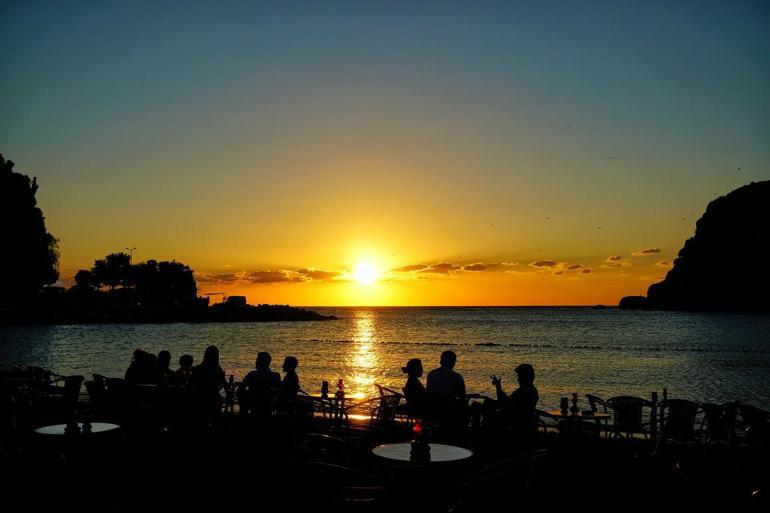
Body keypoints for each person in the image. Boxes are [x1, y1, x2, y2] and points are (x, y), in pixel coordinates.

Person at [489, 363, 539, 438]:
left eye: (519, 376)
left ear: (525, 377)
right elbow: (507, 400)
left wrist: (498, 387)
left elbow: (503, 402)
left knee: (479, 406)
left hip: (514, 421)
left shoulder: (522, 391)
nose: (518, 379)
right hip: (521, 420)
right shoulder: (533, 390)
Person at [237, 352, 281, 416]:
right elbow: (277, 390)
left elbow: (241, 388)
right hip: (269, 403)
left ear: (260, 362)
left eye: (257, 360)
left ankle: (243, 418)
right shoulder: (276, 376)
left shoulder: (252, 375)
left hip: (254, 403)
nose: (256, 362)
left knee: (242, 394)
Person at [191, 345, 226, 419]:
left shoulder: (199, 368)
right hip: (207, 398)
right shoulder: (208, 369)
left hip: (199, 398)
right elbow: (219, 384)